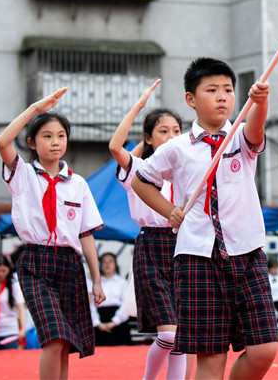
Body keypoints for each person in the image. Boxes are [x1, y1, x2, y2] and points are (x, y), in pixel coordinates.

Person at [133, 57, 278, 380]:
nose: (222, 96)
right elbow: (141, 180)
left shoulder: (239, 138)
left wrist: (261, 102)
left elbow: (255, 129)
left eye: (228, 89)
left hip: (247, 251)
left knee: (264, 348)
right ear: (191, 99)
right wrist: (169, 211)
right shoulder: (177, 148)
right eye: (212, 90)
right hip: (197, 255)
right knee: (211, 357)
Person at [0, 87, 105, 379]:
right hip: (36, 262)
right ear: (32, 142)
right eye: (47, 136)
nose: (55, 142)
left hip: (70, 264)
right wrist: (35, 108)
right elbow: (3, 141)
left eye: (60, 136)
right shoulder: (23, 175)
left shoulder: (78, 184)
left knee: (66, 342)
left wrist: (96, 281)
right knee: (54, 335)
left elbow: (86, 234)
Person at [108, 79, 187, 379]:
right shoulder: (139, 169)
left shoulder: (187, 169)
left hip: (183, 247)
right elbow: (116, 146)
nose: (171, 137)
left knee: (182, 338)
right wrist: (140, 105)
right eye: (163, 131)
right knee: (168, 335)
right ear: (149, 138)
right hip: (151, 248)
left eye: (177, 131)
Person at [95, 252, 131, 346]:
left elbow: (126, 304)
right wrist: (97, 323)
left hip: (118, 321)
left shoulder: (122, 283)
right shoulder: (95, 284)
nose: (107, 265)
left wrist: (115, 321)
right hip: (99, 320)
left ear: (115, 264)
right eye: (104, 262)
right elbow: (90, 305)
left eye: (110, 261)